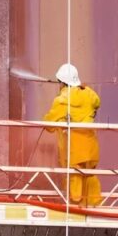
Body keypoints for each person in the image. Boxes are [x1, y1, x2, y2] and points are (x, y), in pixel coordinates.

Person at [43, 63, 102, 207]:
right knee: (90, 176)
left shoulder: (62, 101)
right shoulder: (88, 94)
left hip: (73, 150)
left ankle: (76, 208)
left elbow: (48, 125)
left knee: (74, 182)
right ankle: (95, 206)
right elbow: (96, 103)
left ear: (62, 83)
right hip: (90, 148)